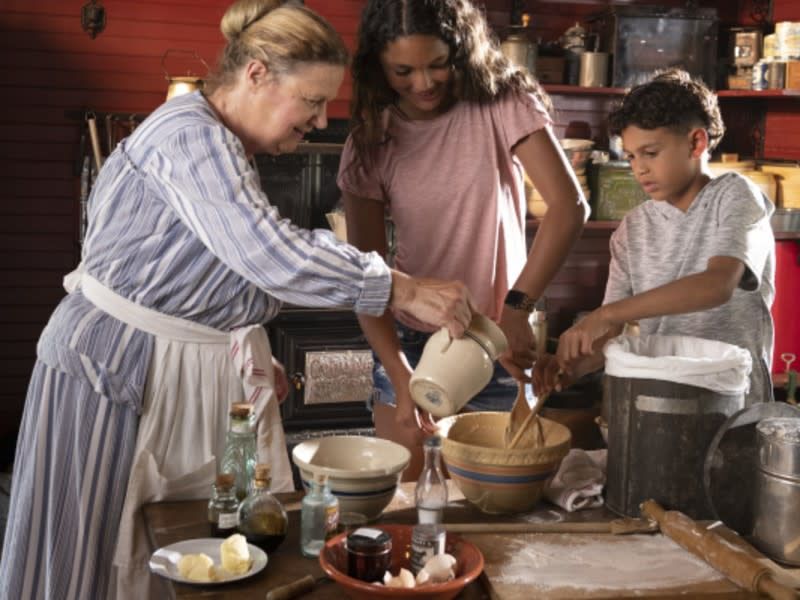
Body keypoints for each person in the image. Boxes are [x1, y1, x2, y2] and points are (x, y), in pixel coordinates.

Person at [0, 1, 477, 599]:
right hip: (120, 365)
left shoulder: (225, 146)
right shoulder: (188, 134)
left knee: (177, 550)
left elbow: (215, 264)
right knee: (96, 550)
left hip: (176, 359)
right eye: (311, 100)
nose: (320, 118)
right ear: (255, 73)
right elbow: (266, 251)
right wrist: (402, 287)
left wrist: (244, 337)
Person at [337, 0, 589, 478]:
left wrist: (517, 309)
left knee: (499, 514)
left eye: (437, 65)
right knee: (408, 510)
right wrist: (397, 371)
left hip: (499, 341)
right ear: (377, 67)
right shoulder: (371, 140)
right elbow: (367, 276)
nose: (424, 83)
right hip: (408, 344)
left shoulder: (501, 102)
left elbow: (569, 207)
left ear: (461, 50)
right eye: (403, 71)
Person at [534, 69, 775, 407]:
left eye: (650, 153)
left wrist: (605, 315)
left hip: (731, 402)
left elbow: (717, 284)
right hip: (657, 404)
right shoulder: (631, 230)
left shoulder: (735, 196)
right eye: (631, 156)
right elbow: (612, 337)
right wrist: (571, 368)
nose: (639, 169)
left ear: (696, 142)